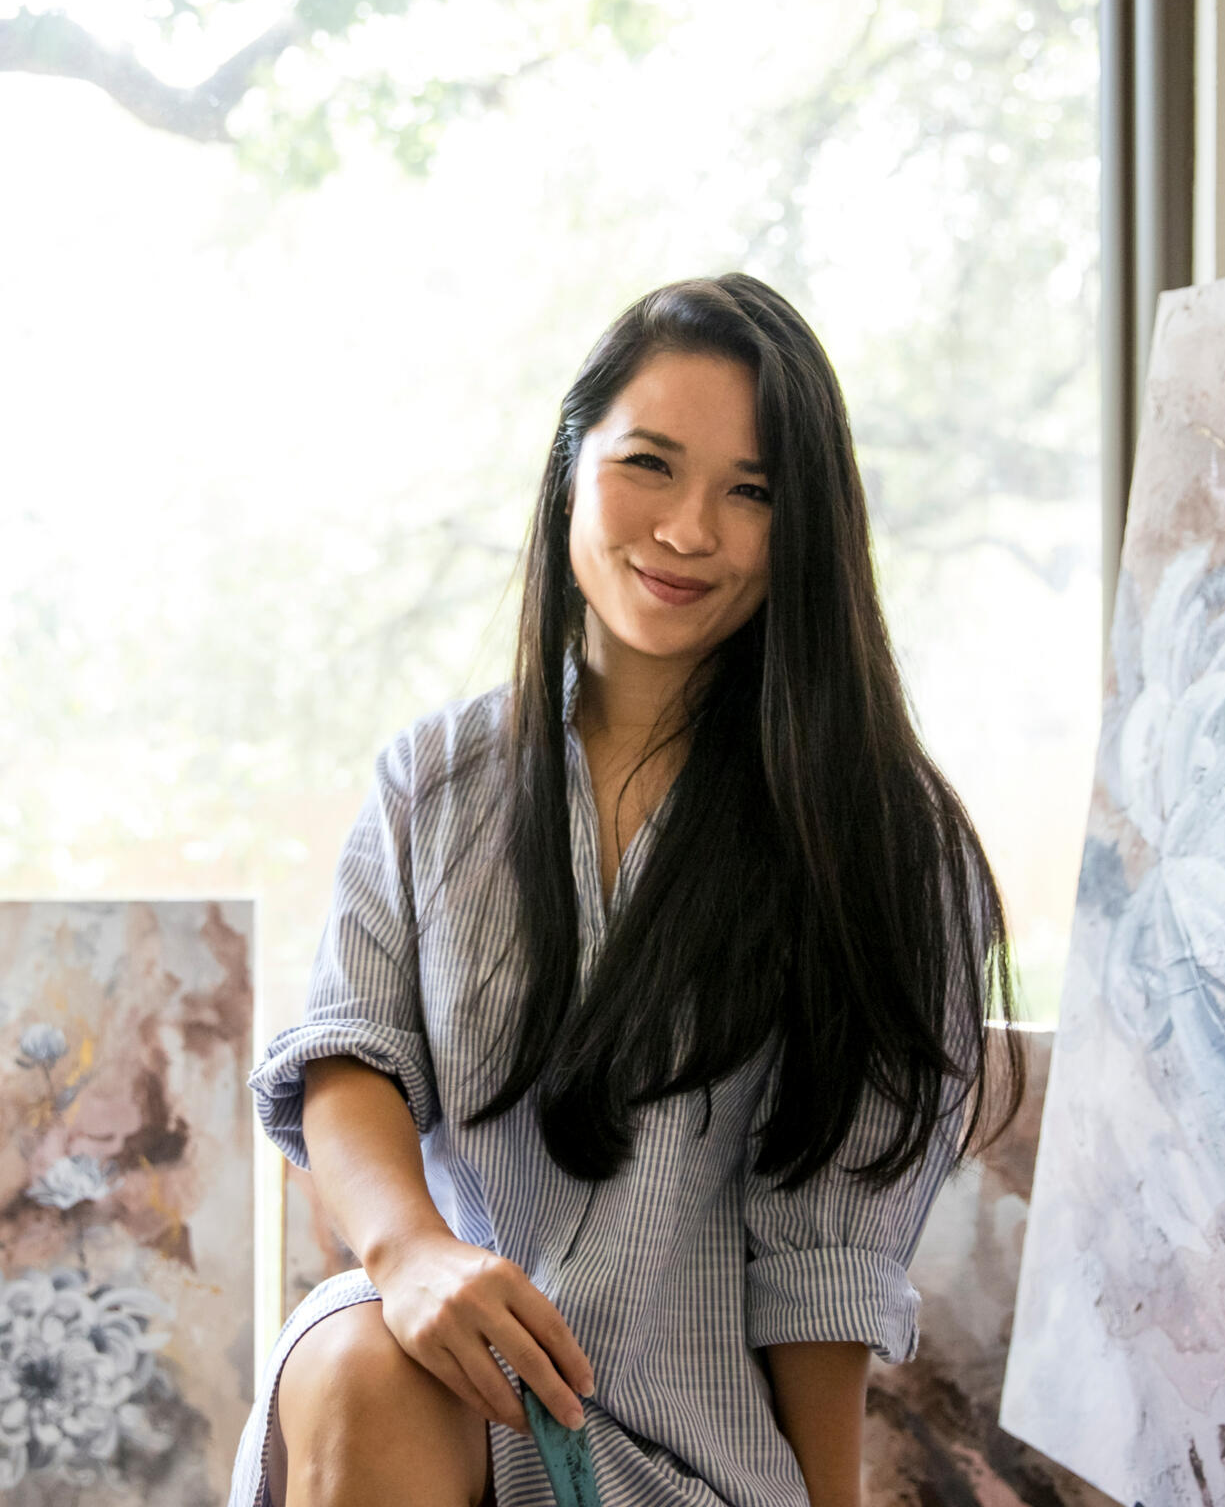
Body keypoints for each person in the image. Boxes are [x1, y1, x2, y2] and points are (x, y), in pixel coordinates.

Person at [225, 272, 1024, 1507]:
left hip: (684, 1467)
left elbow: (825, 1270)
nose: (690, 529)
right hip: (449, 1386)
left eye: (752, 491)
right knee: (363, 1358)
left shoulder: (883, 843)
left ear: (804, 528)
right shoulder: (433, 780)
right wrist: (412, 1250)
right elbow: (351, 1058)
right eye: (650, 464)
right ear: (570, 466)